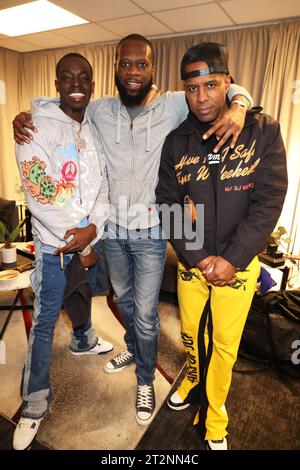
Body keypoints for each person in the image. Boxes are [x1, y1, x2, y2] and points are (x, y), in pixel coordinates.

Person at [13, 34, 253, 426]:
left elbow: (229, 87)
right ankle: (136, 348)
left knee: (145, 313)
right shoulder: (100, 110)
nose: (133, 72)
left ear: (153, 68)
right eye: (126, 64)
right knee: (123, 302)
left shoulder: (176, 103)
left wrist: (240, 107)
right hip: (111, 230)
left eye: (141, 64)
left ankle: (145, 377)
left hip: (153, 231)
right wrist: (28, 118)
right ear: (116, 70)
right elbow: (63, 108)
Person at [155, 42, 288, 449]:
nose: (201, 98)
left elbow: (269, 201)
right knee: (193, 336)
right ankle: (192, 375)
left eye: (211, 86)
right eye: (192, 89)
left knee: (226, 348)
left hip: (240, 267)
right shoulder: (177, 141)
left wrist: (231, 260)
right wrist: (196, 257)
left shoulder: (262, 131)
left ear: (228, 84)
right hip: (192, 265)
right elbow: (167, 203)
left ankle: (215, 419)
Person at [13, 53, 113, 450]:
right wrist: (79, 236)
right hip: (55, 243)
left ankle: (84, 339)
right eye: (67, 77)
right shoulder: (34, 128)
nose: (76, 83)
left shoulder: (94, 126)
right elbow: (39, 194)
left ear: (92, 82)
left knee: (83, 290)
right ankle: (34, 402)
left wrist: (92, 230)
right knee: (44, 319)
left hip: (86, 234)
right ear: (56, 85)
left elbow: (102, 186)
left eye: (83, 77)